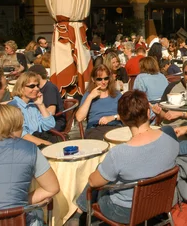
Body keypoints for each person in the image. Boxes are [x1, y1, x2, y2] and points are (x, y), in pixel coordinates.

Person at [71, 90, 178, 225]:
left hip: (126, 212)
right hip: (162, 201)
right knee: (112, 173)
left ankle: (78, 212)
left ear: (122, 118)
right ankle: (78, 212)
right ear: (147, 113)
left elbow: (92, 183)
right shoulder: (169, 134)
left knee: (102, 179)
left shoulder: (119, 153)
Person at [8, 72, 56, 147]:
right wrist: (48, 144)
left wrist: (41, 105)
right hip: (24, 146)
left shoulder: (33, 105)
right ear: (21, 88)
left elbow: (49, 125)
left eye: (37, 85)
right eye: (32, 86)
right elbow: (22, 135)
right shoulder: (14, 106)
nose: (36, 89)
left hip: (37, 143)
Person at [77, 65, 123, 139]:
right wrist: (90, 97)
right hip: (95, 128)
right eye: (99, 79)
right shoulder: (89, 95)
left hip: (115, 127)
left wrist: (112, 117)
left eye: (106, 78)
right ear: (93, 79)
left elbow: (127, 114)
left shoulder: (116, 94)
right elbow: (79, 118)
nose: (103, 82)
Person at [29, 65, 66, 132]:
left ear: (38, 76)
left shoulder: (49, 88)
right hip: (41, 119)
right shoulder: (37, 89)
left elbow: (52, 111)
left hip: (55, 121)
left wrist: (33, 114)